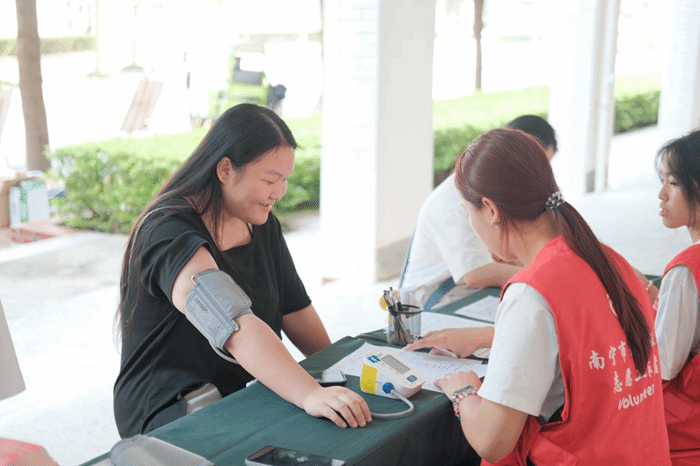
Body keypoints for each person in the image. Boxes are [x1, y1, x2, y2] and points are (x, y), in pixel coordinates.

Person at [113, 103, 371, 437]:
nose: (279, 192)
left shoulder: (260, 222)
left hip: (243, 393)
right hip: (173, 408)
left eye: (285, 180)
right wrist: (308, 393)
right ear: (225, 169)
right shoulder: (167, 232)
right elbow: (230, 323)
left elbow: (295, 309)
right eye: (270, 180)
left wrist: (338, 371)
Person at [418, 128, 671, 464]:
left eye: (468, 213)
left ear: (491, 210)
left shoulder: (531, 293)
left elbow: (492, 442)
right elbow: (582, 340)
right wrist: (493, 337)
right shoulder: (610, 260)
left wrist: (462, 392)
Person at [399, 115, 557, 309]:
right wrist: (539, 277)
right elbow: (474, 274)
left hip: (469, 291)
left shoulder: (499, 186)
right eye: (535, 165)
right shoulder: (453, 201)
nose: (538, 176)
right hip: (434, 300)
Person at [654, 129, 700, 465]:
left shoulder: (686, 269)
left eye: (673, 182)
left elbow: (664, 365)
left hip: (685, 425)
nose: (661, 195)